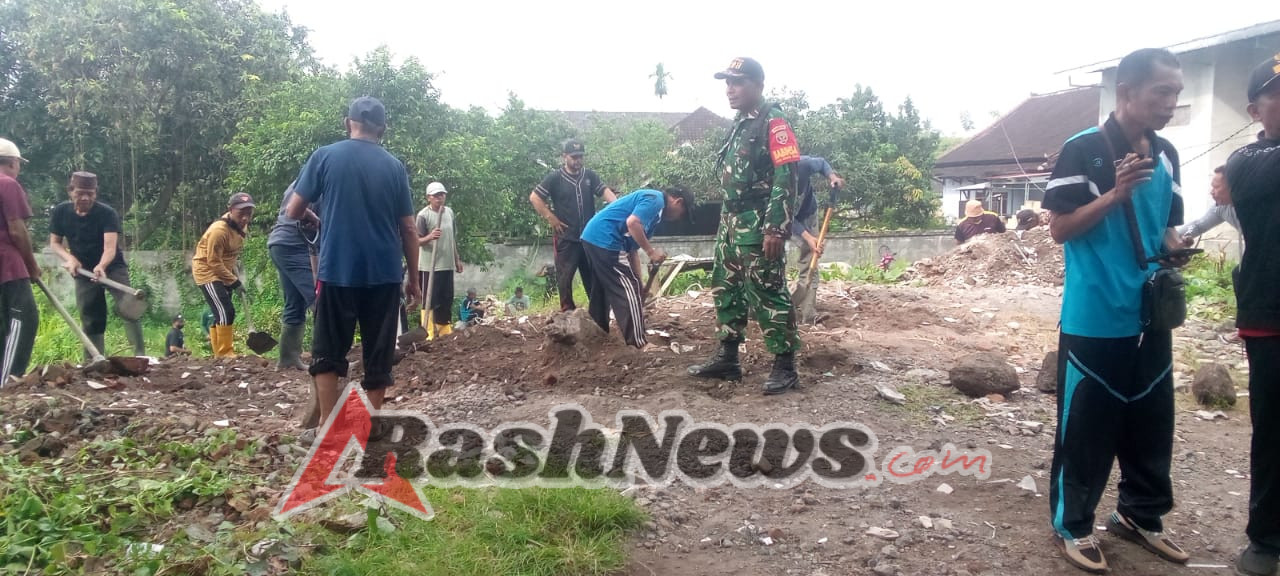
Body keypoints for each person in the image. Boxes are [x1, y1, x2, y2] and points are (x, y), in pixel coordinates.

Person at [1042, 48, 1191, 573]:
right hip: (1095, 314)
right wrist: (1114, 194)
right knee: (1086, 426)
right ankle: (1074, 524)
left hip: (1150, 314)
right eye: (1162, 92)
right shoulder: (1083, 150)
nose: (1171, 103)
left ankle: (1140, 515)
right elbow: (1059, 228)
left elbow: (1167, 228)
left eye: (1175, 92)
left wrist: (1177, 248)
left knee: (1152, 421)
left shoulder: (1168, 153)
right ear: (1127, 92)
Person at [288, 96, 419, 440]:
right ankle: (368, 428)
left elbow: (293, 210)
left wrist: (318, 218)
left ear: (348, 123)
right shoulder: (394, 167)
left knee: (328, 351)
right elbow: (408, 228)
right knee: (379, 353)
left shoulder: (325, 156)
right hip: (385, 273)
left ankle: (328, 428)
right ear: (383, 129)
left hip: (337, 270)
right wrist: (415, 280)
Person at [687, 57, 802, 396]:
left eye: (737, 82)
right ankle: (728, 357)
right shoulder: (742, 122)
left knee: (766, 289)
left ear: (758, 85)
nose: (730, 89)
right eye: (727, 82)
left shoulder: (775, 123)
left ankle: (785, 365)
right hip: (731, 220)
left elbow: (787, 176)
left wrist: (776, 228)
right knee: (726, 286)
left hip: (758, 221)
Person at [1226, 53, 1280, 576]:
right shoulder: (1248, 163)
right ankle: (1266, 539)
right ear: (1254, 109)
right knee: (1274, 432)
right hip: (1272, 319)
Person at [48, 172, 147, 358]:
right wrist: (69, 259)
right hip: (83, 269)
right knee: (90, 315)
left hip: (111, 266)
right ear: (71, 191)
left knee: (129, 304)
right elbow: (55, 243)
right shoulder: (61, 212)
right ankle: (94, 360)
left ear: (95, 193)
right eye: (80, 193)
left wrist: (101, 266)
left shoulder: (106, 213)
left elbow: (110, 248)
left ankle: (140, 356)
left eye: (90, 193)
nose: (85, 197)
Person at [580, 186, 693, 347]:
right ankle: (638, 343)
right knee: (628, 290)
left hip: (593, 238)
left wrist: (638, 283)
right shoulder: (656, 200)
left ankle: (597, 334)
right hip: (605, 239)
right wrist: (651, 252)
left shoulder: (653, 219)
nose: (679, 218)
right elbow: (632, 223)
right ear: (678, 201)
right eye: (682, 212)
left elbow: (632, 250)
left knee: (603, 289)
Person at [529, 139, 617, 311]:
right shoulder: (555, 178)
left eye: (580, 157)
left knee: (593, 276)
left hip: (589, 237)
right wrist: (550, 217)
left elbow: (606, 193)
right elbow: (535, 197)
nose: (577, 160)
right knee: (565, 276)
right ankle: (567, 312)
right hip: (566, 237)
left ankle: (597, 313)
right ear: (565, 157)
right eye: (574, 157)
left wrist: (618, 207)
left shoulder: (589, 176)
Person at [192, 192, 254, 358]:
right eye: (241, 213)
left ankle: (219, 355)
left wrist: (232, 271)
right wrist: (234, 282)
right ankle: (225, 352)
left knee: (220, 313)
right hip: (207, 272)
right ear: (230, 210)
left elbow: (229, 254)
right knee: (227, 310)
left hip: (224, 270)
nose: (245, 218)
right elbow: (213, 261)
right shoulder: (219, 231)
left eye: (249, 213)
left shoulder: (241, 226)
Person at [267, 181, 321, 370]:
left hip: (281, 243)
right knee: (321, 301)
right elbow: (295, 209)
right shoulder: (318, 183)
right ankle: (326, 359)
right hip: (294, 245)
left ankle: (288, 359)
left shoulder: (297, 183)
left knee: (294, 302)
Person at [0, 138, 39, 384]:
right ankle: (8, 384)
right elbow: (17, 230)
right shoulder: (7, 184)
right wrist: (32, 266)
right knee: (23, 319)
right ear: (14, 162)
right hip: (7, 265)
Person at [790, 156, 844, 324]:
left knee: (810, 259)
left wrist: (832, 177)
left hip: (809, 213)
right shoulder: (772, 182)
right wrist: (808, 237)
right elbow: (787, 218)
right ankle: (774, 309)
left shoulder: (803, 164)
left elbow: (821, 163)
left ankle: (808, 314)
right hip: (783, 220)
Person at [416, 181, 461, 339]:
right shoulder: (423, 215)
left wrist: (457, 259)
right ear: (429, 197)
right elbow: (416, 241)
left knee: (446, 298)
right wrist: (430, 236)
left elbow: (452, 238)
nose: (439, 198)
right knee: (429, 299)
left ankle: (444, 331)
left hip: (446, 264)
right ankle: (427, 333)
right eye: (436, 195)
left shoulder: (449, 212)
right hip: (429, 266)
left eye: (442, 195)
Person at [1176, 165, 1239, 242]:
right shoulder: (1221, 207)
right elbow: (1198, 226)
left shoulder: (1254, 206)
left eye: (1216, 187)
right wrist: (1183, 235)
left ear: (1234, 187)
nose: (1211, 192)